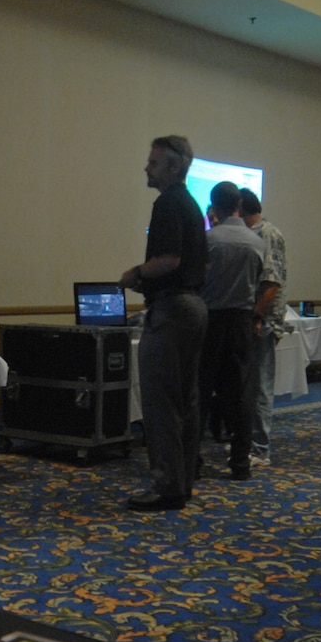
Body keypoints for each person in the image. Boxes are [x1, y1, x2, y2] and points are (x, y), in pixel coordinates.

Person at [117, 135, 208, 513]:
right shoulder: (191, 204)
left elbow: (167, 260)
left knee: (160, 403)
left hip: (171, 310)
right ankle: (183, 480)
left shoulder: (168, 203)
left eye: (153, 163)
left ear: (173, 167)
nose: (146, 168)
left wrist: (135, 273)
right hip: (193, 308)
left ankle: (167, 486)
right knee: (185, 400)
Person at [199, 182, 267, 481]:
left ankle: (192, 462)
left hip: (210, 321)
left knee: (200, 392)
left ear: (214, 207)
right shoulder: (257, 242)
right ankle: (240, 463)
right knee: (241, 394)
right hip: (241, 321)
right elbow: (261, 282)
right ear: (239, 204)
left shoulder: (209, 240)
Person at [239, 190, 286, 464]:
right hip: (255, 317)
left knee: (259, 385)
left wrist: (257, 318)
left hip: (262, 321)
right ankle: (247, 442)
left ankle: (259, 449)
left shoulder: (266, 234)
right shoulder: (255, 233)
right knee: (249, 384)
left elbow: (271, 283)